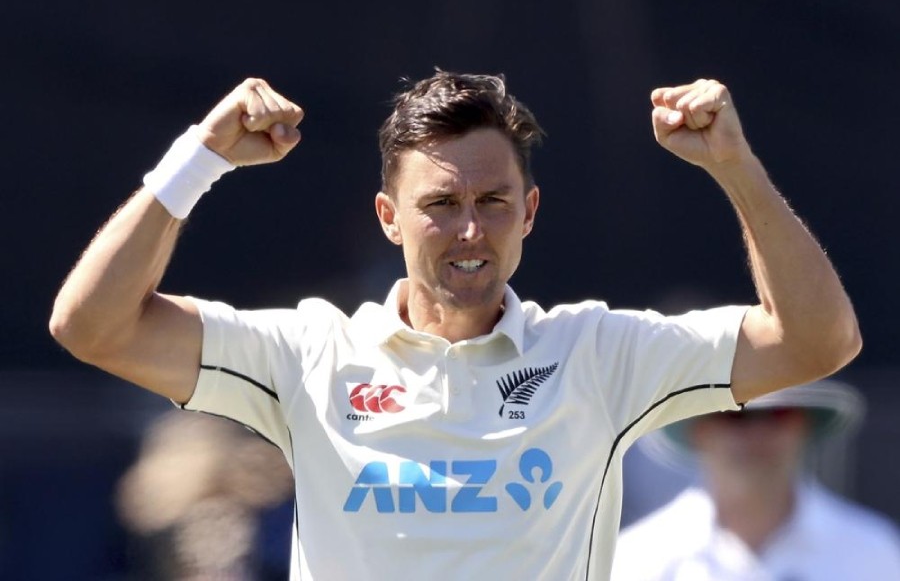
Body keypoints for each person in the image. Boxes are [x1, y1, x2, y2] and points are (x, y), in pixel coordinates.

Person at [49, 72, 861, 580]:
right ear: (388, 219)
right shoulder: (308, 351)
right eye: (440, 205)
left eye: (492, 202)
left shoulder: (599, 351)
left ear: (530, 212)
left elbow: (818, 341)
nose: (470, 231)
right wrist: (201, 158)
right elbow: (93, 327)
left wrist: (734, 166)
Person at [611, 379, 900, 580]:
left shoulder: (873, 551)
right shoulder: (636, 559)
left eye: (778, 414)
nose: (757, 434)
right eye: (734, 416)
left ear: (804, 426)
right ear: (699, 430)